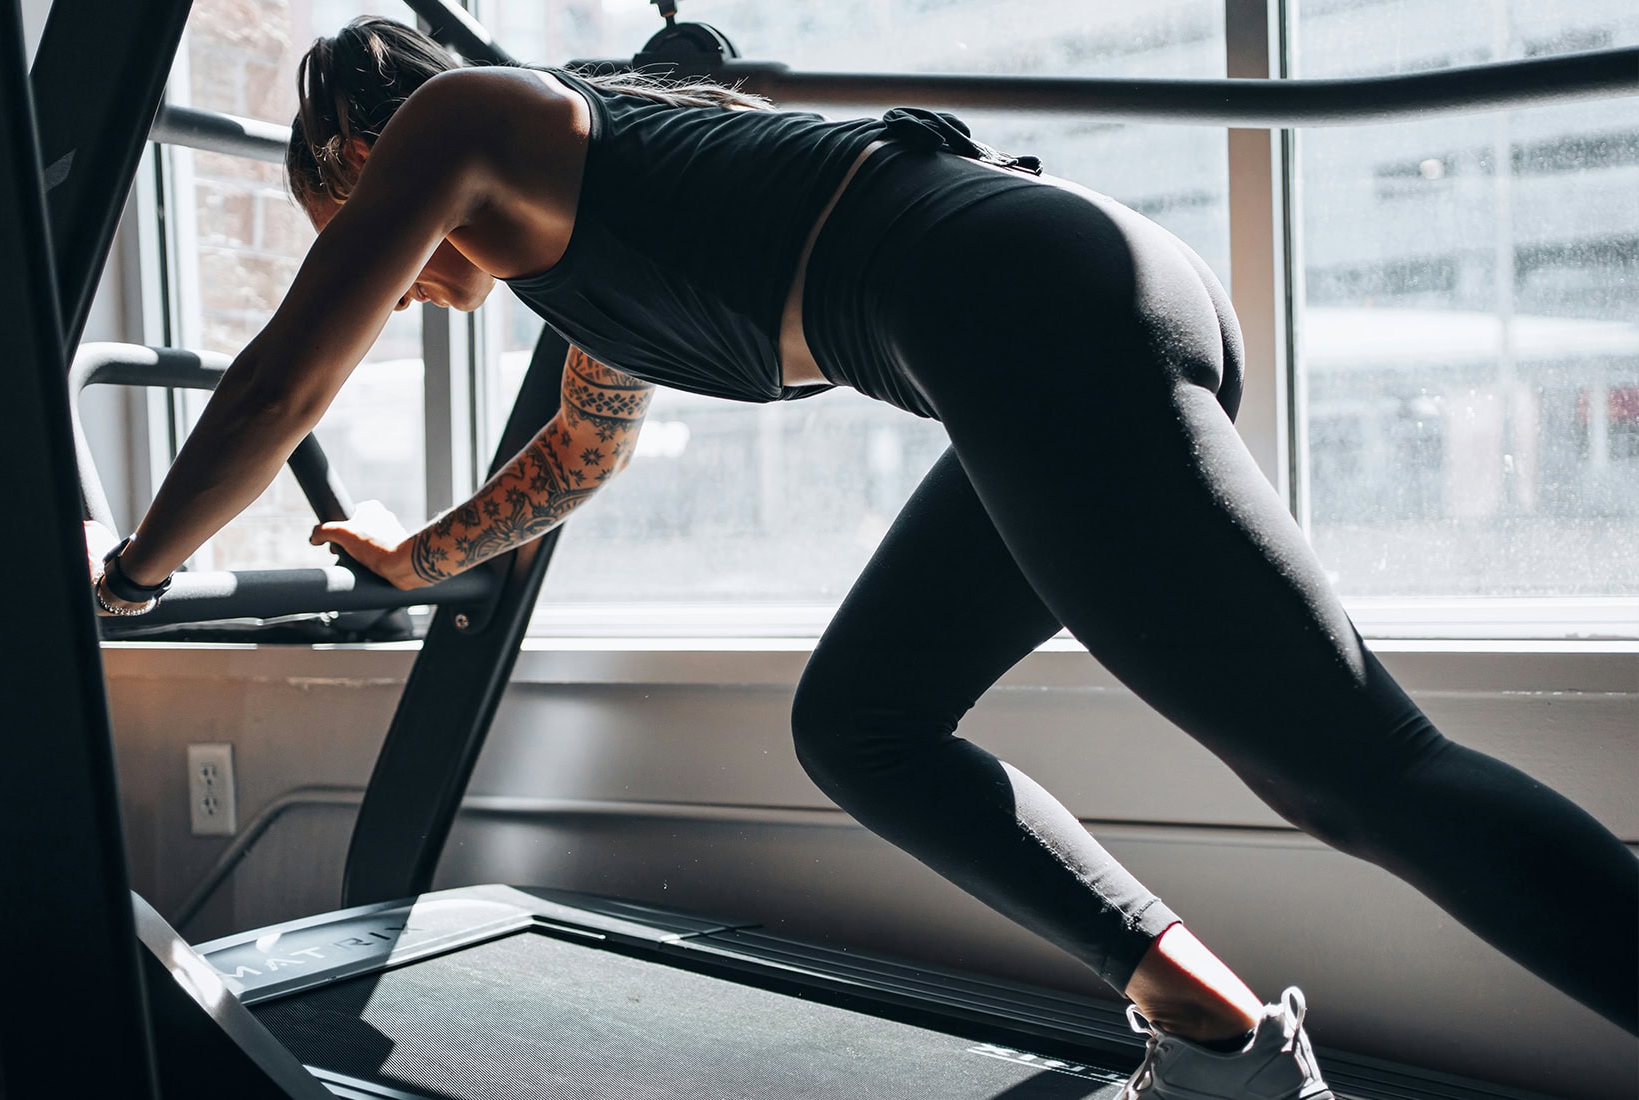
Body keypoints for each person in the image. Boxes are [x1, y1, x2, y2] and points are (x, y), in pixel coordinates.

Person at [88, 16, 1639, 1095]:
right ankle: (1209, 1028)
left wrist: (136, 570)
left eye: (348, 217)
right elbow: (580, 455)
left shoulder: (476, 119)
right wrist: (419, 558)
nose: (386, 272)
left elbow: (287, 378)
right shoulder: (588, 251)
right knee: (861, 724)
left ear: (366, 153)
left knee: (1361, 774)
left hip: (1037, 316)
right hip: (1047, 314)